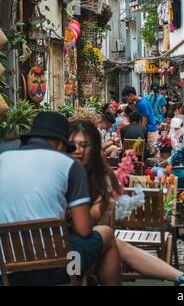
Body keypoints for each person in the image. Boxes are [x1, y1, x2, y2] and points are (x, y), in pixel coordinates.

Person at [68, 120, 184, 286]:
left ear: (94, 148)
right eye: (73, 145)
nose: (78, 151)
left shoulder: (97, 177)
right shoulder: (64, 174)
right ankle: (182, 277)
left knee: (113, 242)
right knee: (110, 238)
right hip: (65, 254)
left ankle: (182, 277)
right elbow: (86, 227)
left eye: (84, 145)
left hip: (77, 250)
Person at [0, 112, 121, 285]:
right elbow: (84, 230)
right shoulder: (69, 164)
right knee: (106, 235)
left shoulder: (3, 159)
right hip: (53, 268)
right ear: (59, 144)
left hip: (6, 270)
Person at [122, 85, 159, 155]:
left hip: (151, 130)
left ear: (131, 95)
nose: (127, 100)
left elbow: (145, 120)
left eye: (127, 98)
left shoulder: (142, 104)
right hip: (148, 130)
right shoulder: (139, 102)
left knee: (154, 152)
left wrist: (140, 131)